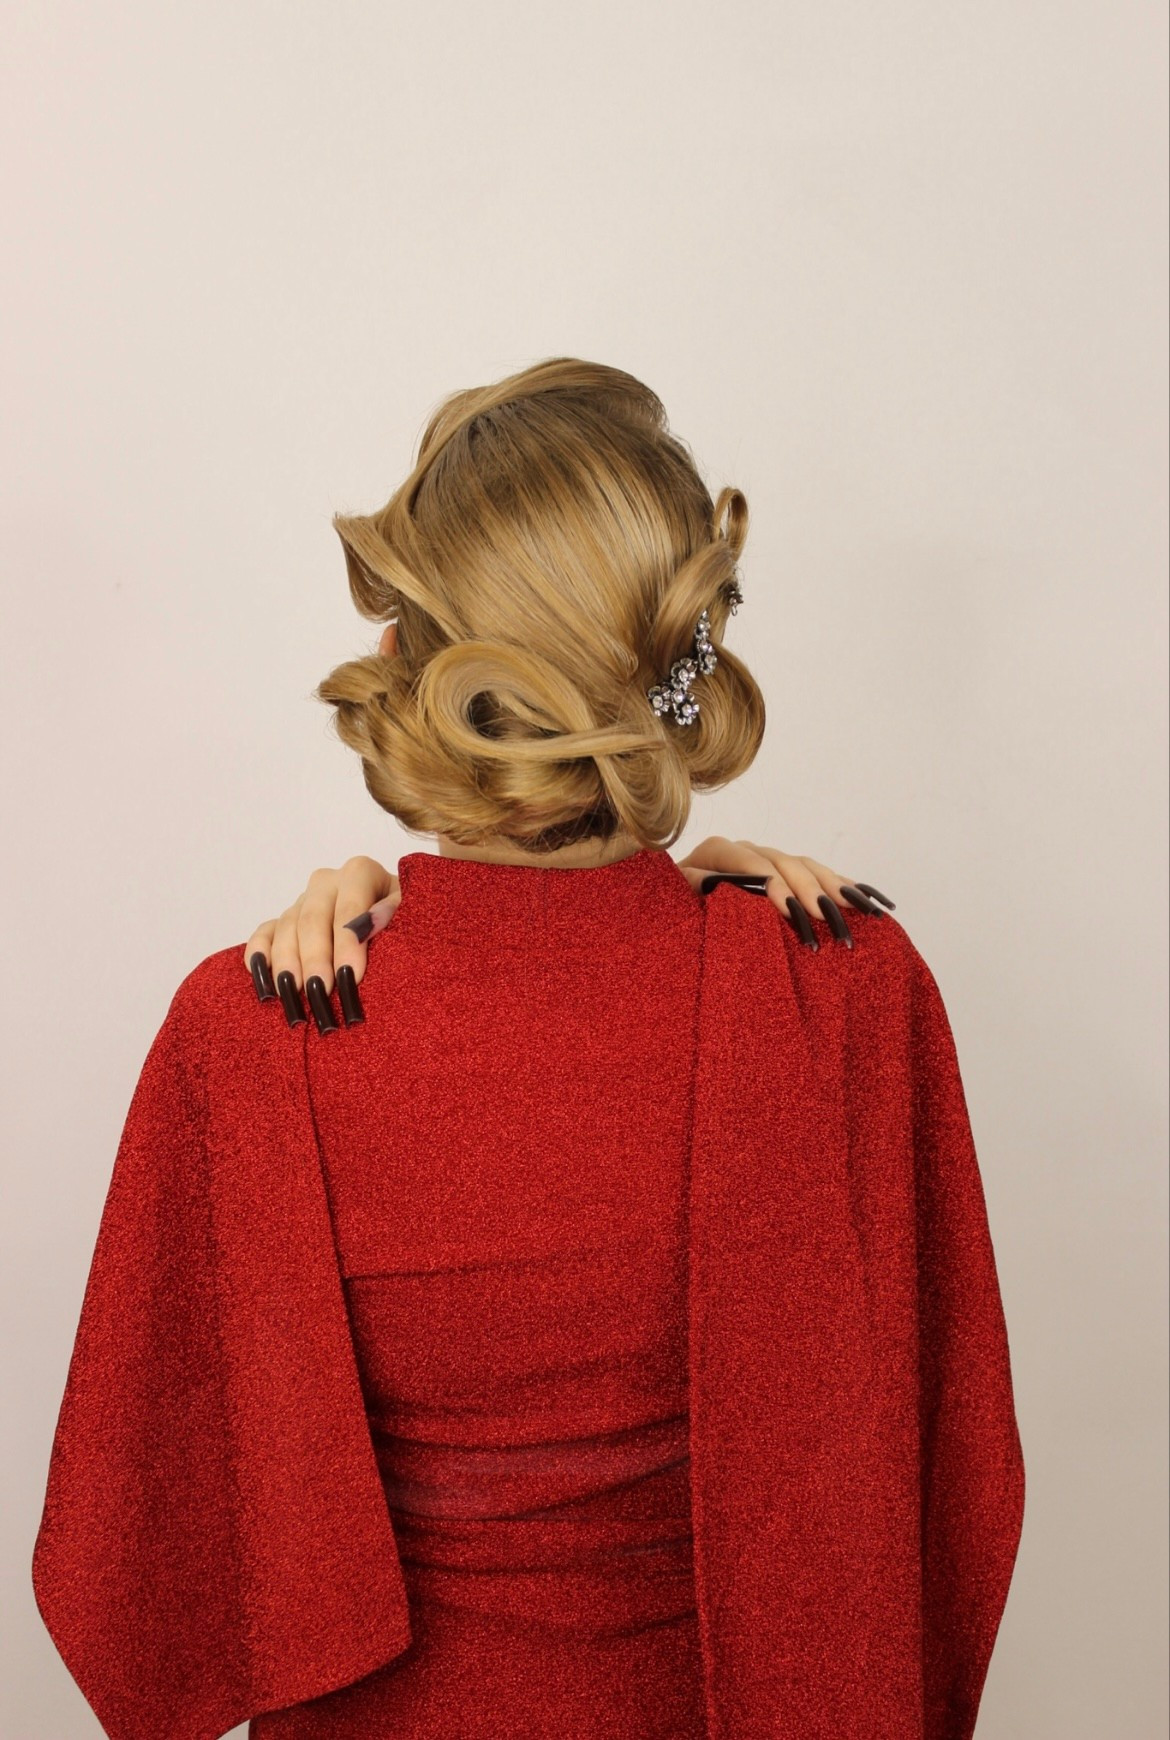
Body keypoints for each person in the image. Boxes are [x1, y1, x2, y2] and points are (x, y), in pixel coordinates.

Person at [31, 357, 1024, 1740]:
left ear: (406, 660)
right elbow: (962, 1505)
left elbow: (123, 1580)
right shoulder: (844, 997)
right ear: (684, 659)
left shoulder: (256, 1030)